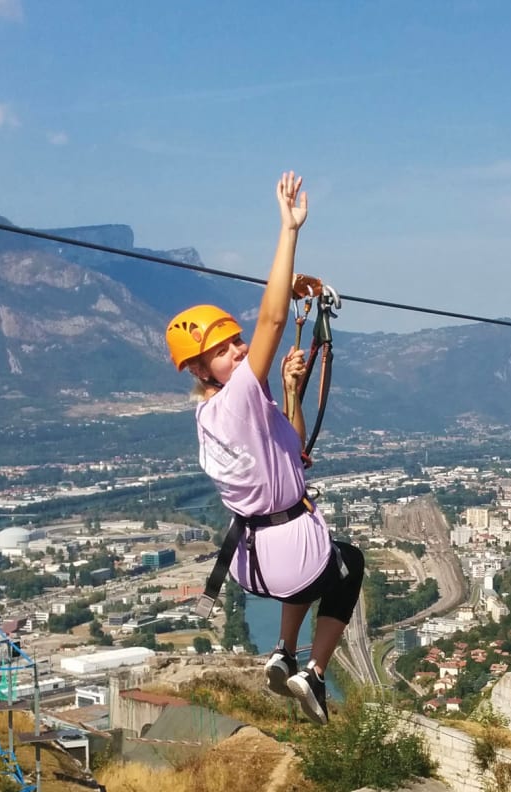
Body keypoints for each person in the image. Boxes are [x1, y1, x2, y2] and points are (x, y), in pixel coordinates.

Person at [165, 171, 365, 725]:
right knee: (348, 562)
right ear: (201, 368)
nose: (240, 348)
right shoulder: (232, 403)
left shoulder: (220, 414)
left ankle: (282, 651)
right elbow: (274, 318)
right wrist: (288, 230)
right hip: (287, 550)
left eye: (236, 341)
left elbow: (293, 448)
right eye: (226, 349)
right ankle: (314, 673)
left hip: (255, 559)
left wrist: (291, 392)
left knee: (315, 566)